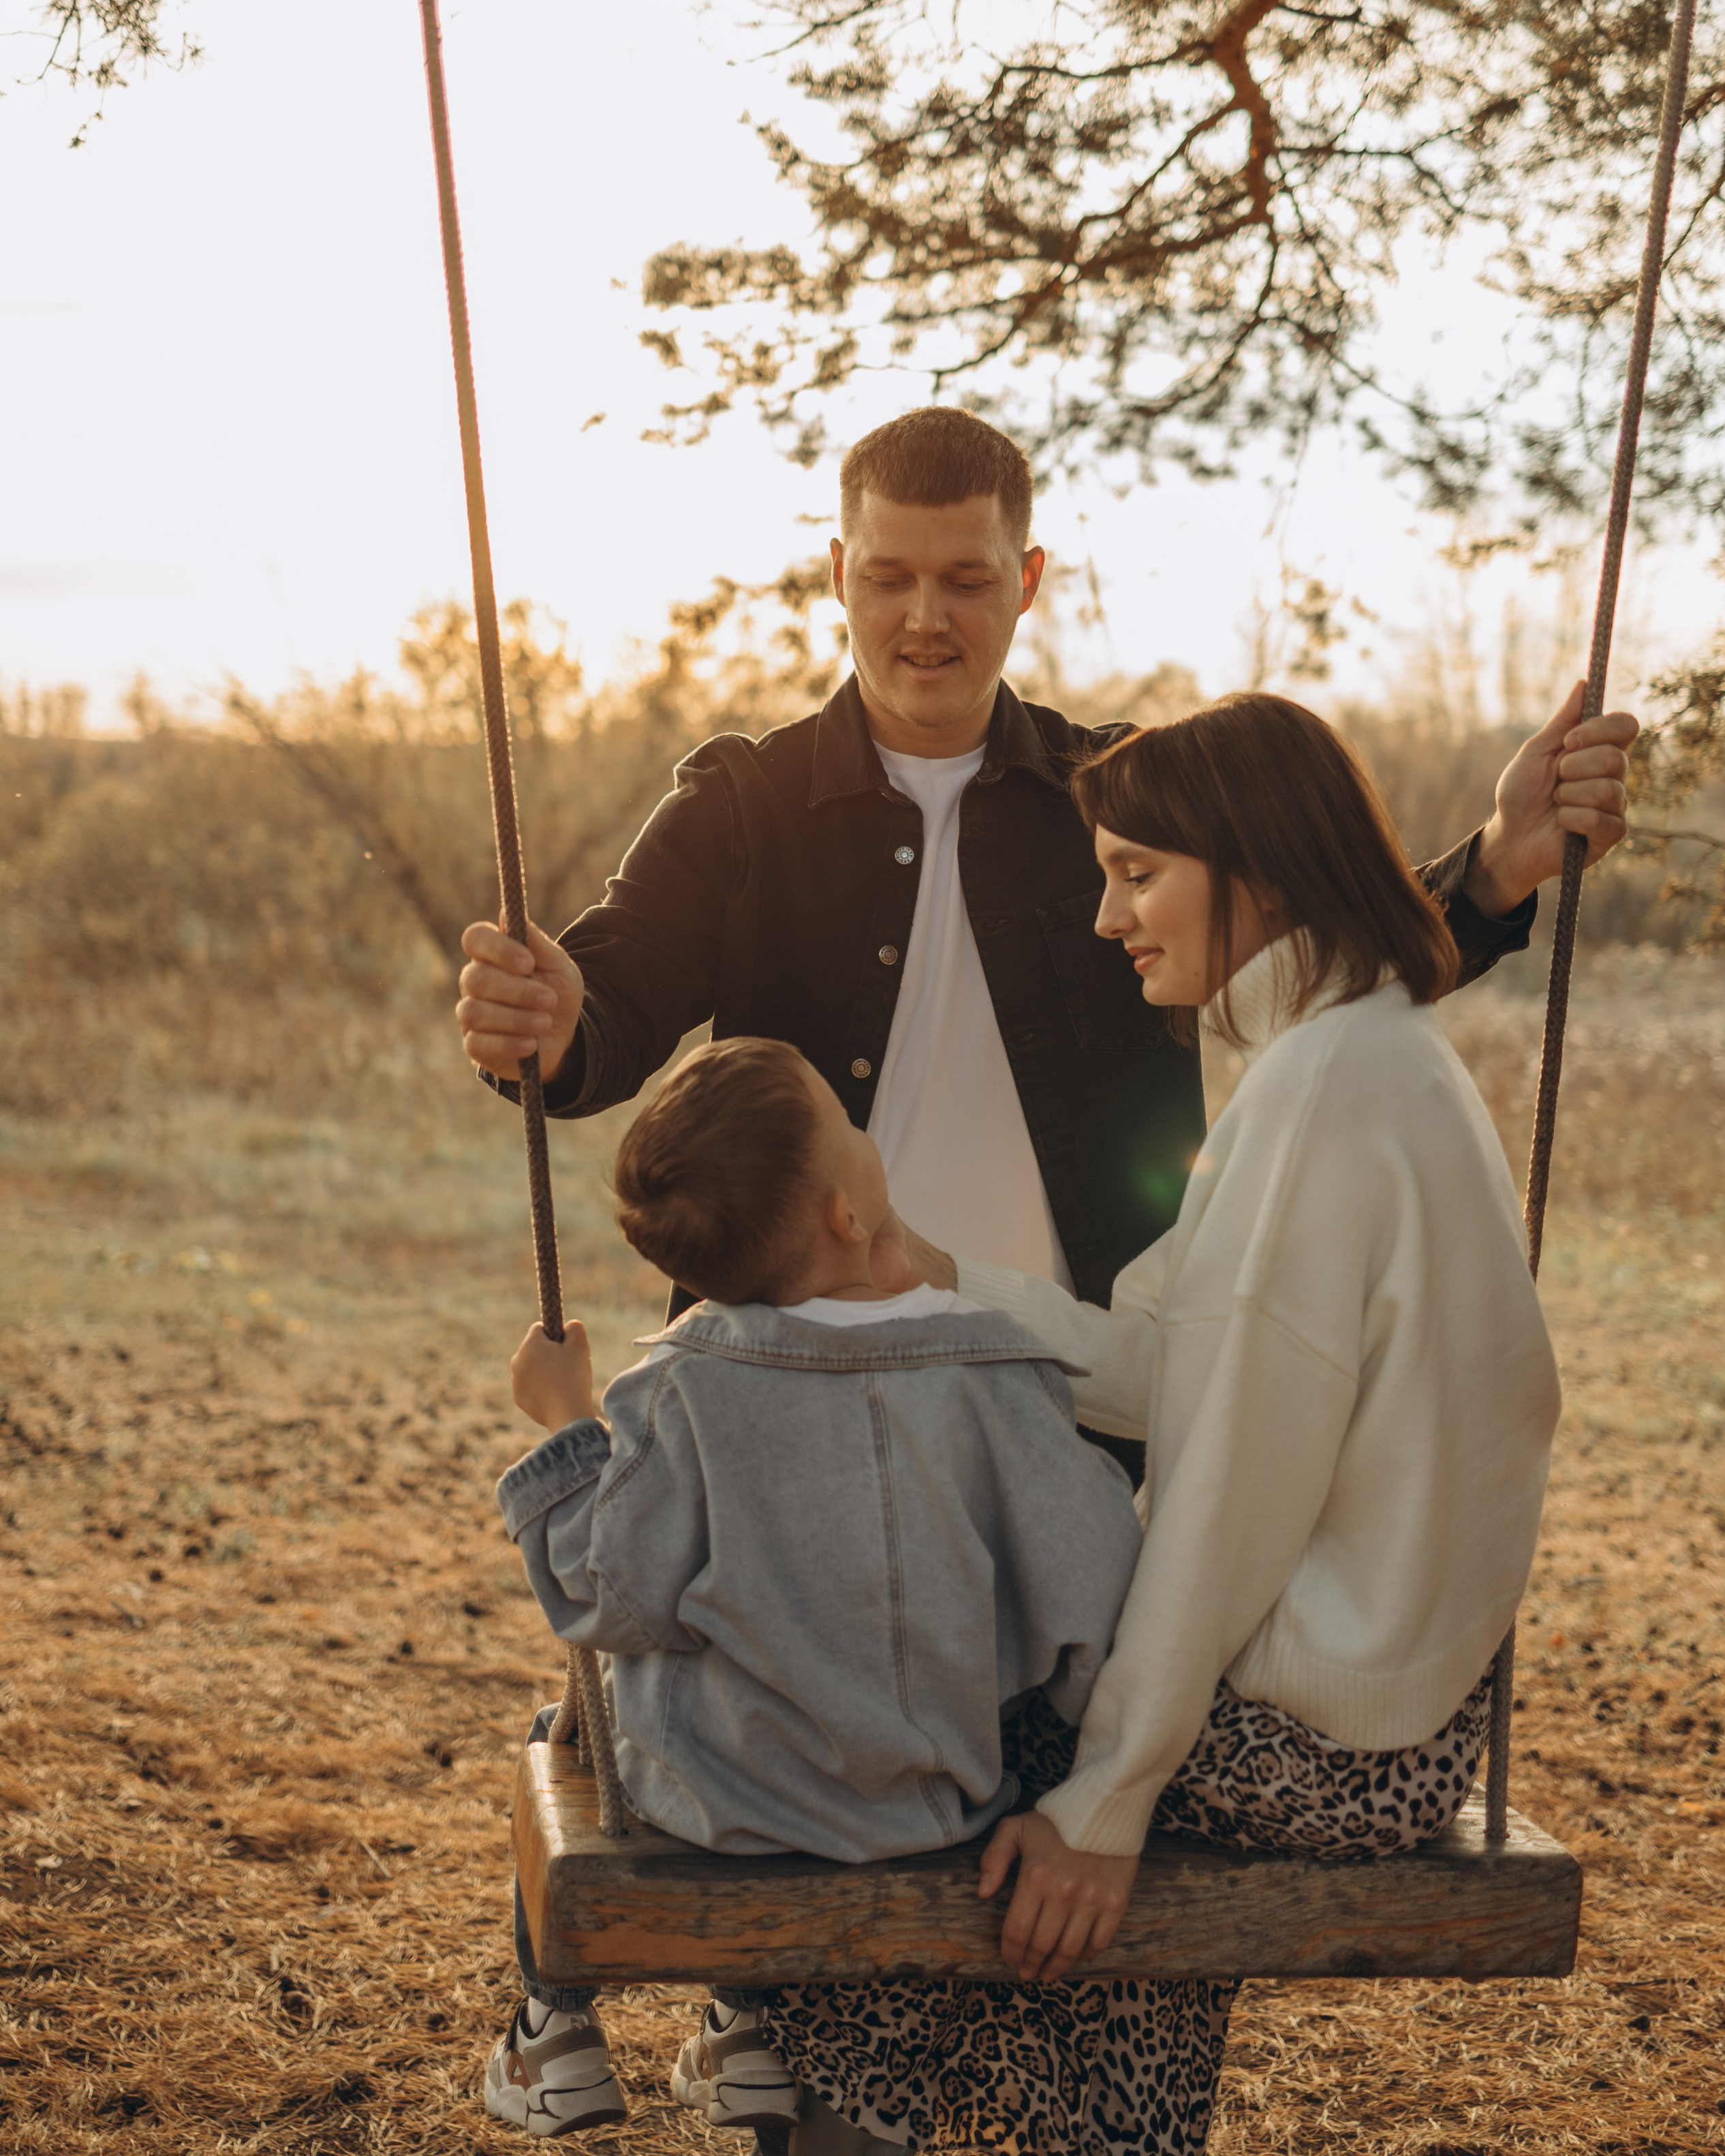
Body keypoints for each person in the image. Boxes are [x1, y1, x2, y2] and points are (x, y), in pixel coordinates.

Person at [458, 405, 1635, 2125]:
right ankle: (720, 2014)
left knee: (883, 1725)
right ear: (835, 577)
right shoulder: (743, 801)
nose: (921, 616)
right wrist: (555, 1022)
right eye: (884, 578)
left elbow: (1307, 936)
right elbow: (611, 1002)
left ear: (1026, 578)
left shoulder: (1115, 801)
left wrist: (1500, 870)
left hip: (1053, 1405)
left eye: (959, 578)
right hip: (820, 1384)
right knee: (776, 1661)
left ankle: (866, 2064)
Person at [760, 692, 1561, 2156]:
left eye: (1136, 872)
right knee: (1042, 1764)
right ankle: (1082, 2130)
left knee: (901, 1717)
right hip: (1373, 1709)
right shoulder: (1334, 1056)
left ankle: (814, 2088)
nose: (1103, 916)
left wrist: (1113, 1794)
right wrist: (932, 1278)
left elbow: (1232, 1487)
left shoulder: (1325, 1090)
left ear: (1251, 867)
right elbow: (1166, 1366)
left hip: (1326, 1738)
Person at [484, 1034, 1142, 2141]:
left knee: (573, 1727)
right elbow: (1096, 1587)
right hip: (936, 1803)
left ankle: (554, 2035)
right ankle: (745, 2040)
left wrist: (570, 1425)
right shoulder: (996, 1371)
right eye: (847, 1118)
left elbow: (603, 1592)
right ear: (847, 1213)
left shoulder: (686, 1390)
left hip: (723, 1807)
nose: (862, 1122)